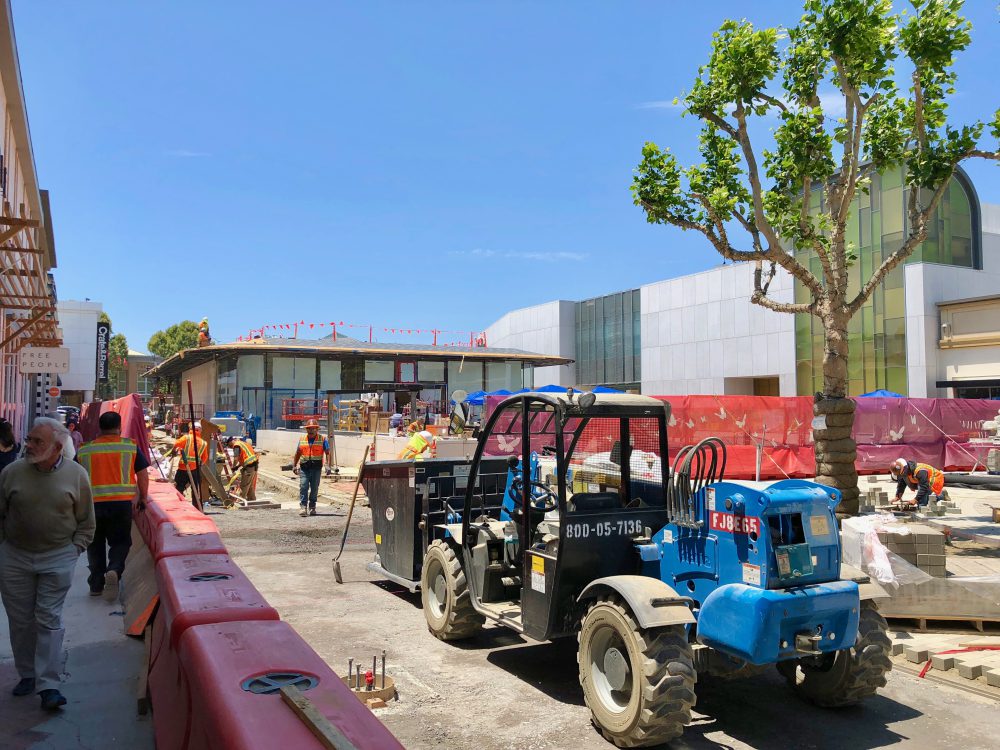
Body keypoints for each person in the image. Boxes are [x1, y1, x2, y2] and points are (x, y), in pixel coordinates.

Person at [0, 417, 94, 711]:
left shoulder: (76, 475)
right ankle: (27, 674)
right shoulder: (11, 473)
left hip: (58, 555)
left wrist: (74, 550)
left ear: (56, 446)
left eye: (36, 441)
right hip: (15, 555)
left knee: (48, 619)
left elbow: (87, 521)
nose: (28, 445)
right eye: (28, 439)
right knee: (20, 620)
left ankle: (48, 685)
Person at [76, 411, 150, 599]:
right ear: (120, 427)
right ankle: (115, 569)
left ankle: (96, 584)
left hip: (92, 506)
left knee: (95, 544)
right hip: (121, 504)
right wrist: (143, 498)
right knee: (121, 541)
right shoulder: (130, 447)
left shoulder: (85, 450)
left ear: (99, 428)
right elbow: (142, 474)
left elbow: (74, 477)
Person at [292, 418, 328, 517]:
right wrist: (294, 465)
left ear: (317, 429)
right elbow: (298, 453)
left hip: (316, 468)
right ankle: (303, 507)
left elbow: (327, 453)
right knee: (303, 486)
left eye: (313, 428)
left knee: (314, 488)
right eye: (309, 429)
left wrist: (327, 465)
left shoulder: (322, 439)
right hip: (304, 467)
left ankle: (312, 507)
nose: (311, 430)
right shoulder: (302, 439)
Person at [170, 424, 209, 508]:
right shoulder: (203, 443)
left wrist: (173, 451)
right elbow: (205, 457)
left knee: (179, 487)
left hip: (183, 468)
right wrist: (199, 465)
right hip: (195, 469)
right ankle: (197, 508)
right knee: (195, 490)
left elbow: (176, 443)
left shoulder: (186, 438)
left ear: (191, 429)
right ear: (200, 430)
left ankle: (177, 506)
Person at [227, 435, 258, 501]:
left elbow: (236, 458)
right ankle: (252, 500)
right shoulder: (243, 444)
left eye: (228, 444)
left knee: (244, 486)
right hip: (253, 466)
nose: (229, 446)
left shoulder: (236, 445)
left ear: (231, 441)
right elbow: (244, 458)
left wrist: (233, 467)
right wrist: (237, 467)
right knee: (249, 486)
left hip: (249, 467)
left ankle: (240, 501)